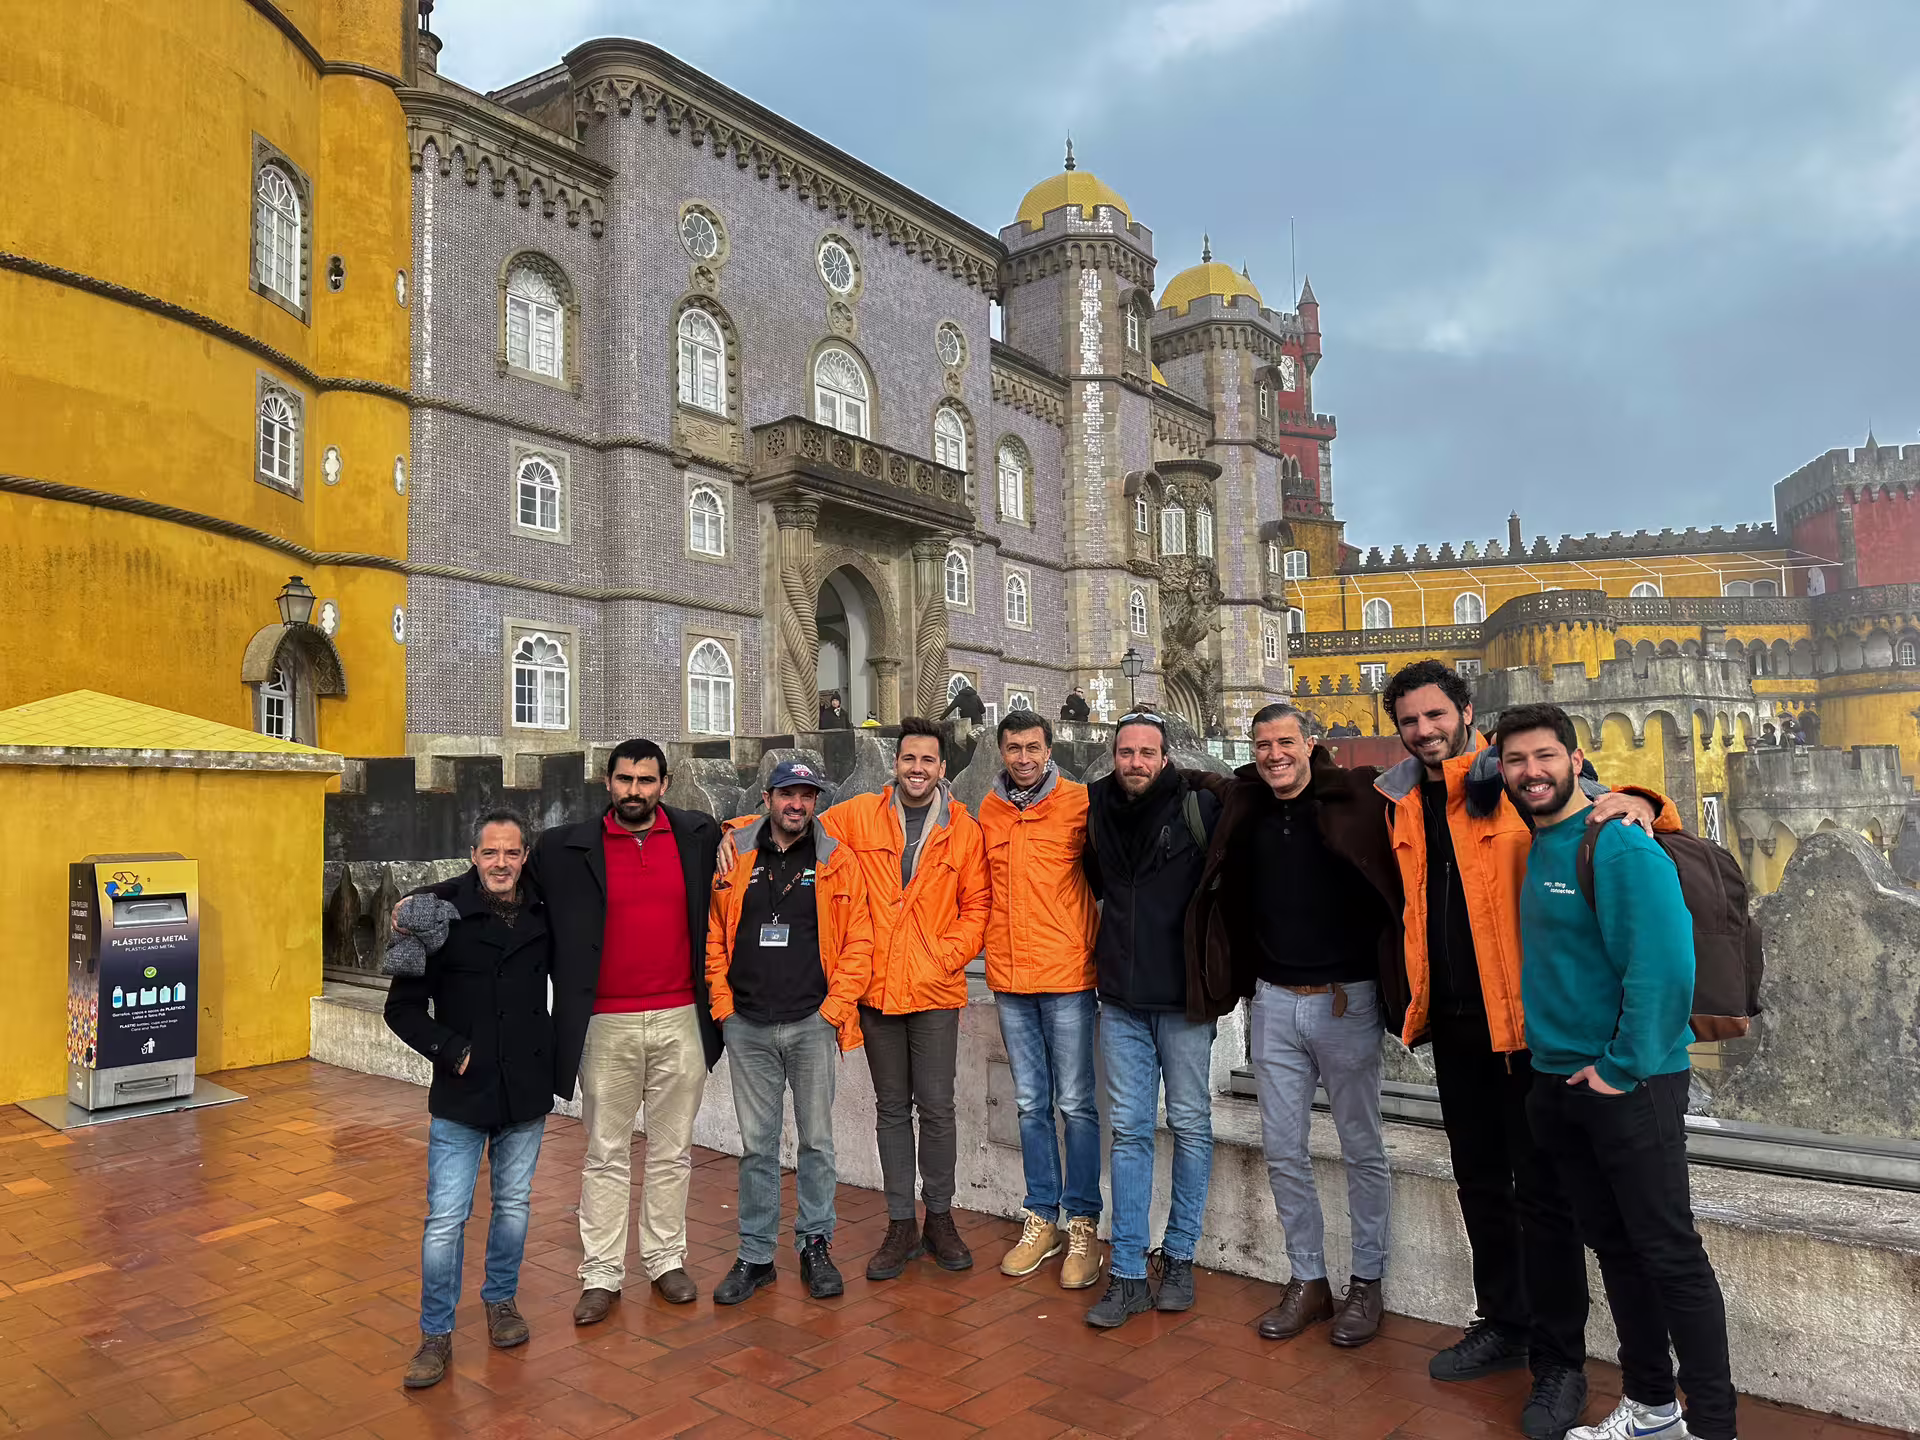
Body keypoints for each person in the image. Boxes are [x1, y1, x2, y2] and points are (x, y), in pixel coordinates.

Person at [1376, 660, 1671, 1440]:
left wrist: (1646, 799)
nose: (1425, 730)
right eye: (1409, 721)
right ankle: (1502, 1320)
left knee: (1545, 1201)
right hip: (1455, 1027)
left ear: (1465, 712)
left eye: (1436, 715)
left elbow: (1597, 803)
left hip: (1525, 1028)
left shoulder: (1511, 774)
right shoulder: (1401, 799)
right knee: (1478, 1184)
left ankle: (1560, 1362)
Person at [1497, 703, 1738, 1440]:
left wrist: (1621, 1067)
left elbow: (1665, 968)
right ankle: (1653, 1408)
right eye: (1515, 760)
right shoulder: (1535, 842)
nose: (1530, 772)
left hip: (1631, 1084)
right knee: (1619, 1253)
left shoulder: (1618, 843)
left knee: (1669, 1253)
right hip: (1560, 1083)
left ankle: (1714, 1427)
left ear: (1576, 761)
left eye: (1544, 757)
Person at [1189, 704, 1404, 1348]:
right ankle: (1309, 1280)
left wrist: (1621, 796)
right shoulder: (1247, 802)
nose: (1274, 754)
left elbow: (1436, 782)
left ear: (1312, 744)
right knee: (1284, 1151)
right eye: (1262, 744)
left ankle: (1367, 1281)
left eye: (1286, 742)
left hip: (1347, 999)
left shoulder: (1359, 797)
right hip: (1273, 1003)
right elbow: (1194, 782)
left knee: (1362, 1147)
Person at [531, 739, 724, 1324]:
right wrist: (425, 900)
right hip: (605, 1023)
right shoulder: (564, 849)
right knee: (605, 1152)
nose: (634, 790)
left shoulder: (700, 837)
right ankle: (602, 1274)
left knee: (672, 1152)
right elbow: (499, 878)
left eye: (646, 780)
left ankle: (666, 1260)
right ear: (607, 783)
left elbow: (771, 837)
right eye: (624, 779)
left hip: (680, 1018)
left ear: (665, 783)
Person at [384, 811, 553, 1389]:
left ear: (524, 855)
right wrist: (449, 1049)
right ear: (473, 855)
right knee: (446, 1220)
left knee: (513, 1206)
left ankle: (500, 1302)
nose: (501, 863)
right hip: (462, 1090)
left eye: (511, 853)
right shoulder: (438, 913)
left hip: (525, 1088)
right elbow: (400, 1009)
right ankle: (435, 1334)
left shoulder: (542, 908)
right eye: (490, 853)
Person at [821, 715, 990, 1280]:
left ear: (943, 769)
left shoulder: (962, 830)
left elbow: (978, 908)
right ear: (895, 764)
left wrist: (944, 955)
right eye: (908, 759)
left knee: (937, 1107)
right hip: (875, 988)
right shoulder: (858, 816)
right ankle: (900, 1224)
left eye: (928, 761)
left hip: (935, 988)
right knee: (891, 1108)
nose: (917, 770)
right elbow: (795, 824)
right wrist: (732, 837)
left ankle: (939, 1217)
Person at [706, 760, 874, 1303]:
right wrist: (724, 1007)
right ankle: (756, 1256)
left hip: (811, 1024)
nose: (796, 804)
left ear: (816, 801)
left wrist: (832, 1012)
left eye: (807, 795)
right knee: (756, 1147)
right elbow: (714, 934)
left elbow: (859, 944)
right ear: (767, 797)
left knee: (817, 1143)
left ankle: (815, 1245)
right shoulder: (736, 853)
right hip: (747, 1026)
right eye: (787, 794)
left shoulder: (836, 861)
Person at [1080, 713, 1223, 1328]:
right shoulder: (1096, 809)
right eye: (1126, 752)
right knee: (1131, 1133)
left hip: (1185, 1001)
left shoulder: (1199, 805)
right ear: (1113, 757)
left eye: (1147, 753)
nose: (1136, 763)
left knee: (1190, 1125)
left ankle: (1181, 1254)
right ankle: (1130, 1272)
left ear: (1165, 757)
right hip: (1121, 999)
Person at [976, 710, 1104, 1290]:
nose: (1023, 759)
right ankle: (1042, 1216)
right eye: (1013, 749)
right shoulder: (990, 809)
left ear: (1049, 749)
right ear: (1001, 752)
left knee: (1075, 1102)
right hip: (1009, 977)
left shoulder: (1079, 803)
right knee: (1030, 1103)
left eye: (1033, 748)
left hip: (1067, 973)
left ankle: (1083, 1221)